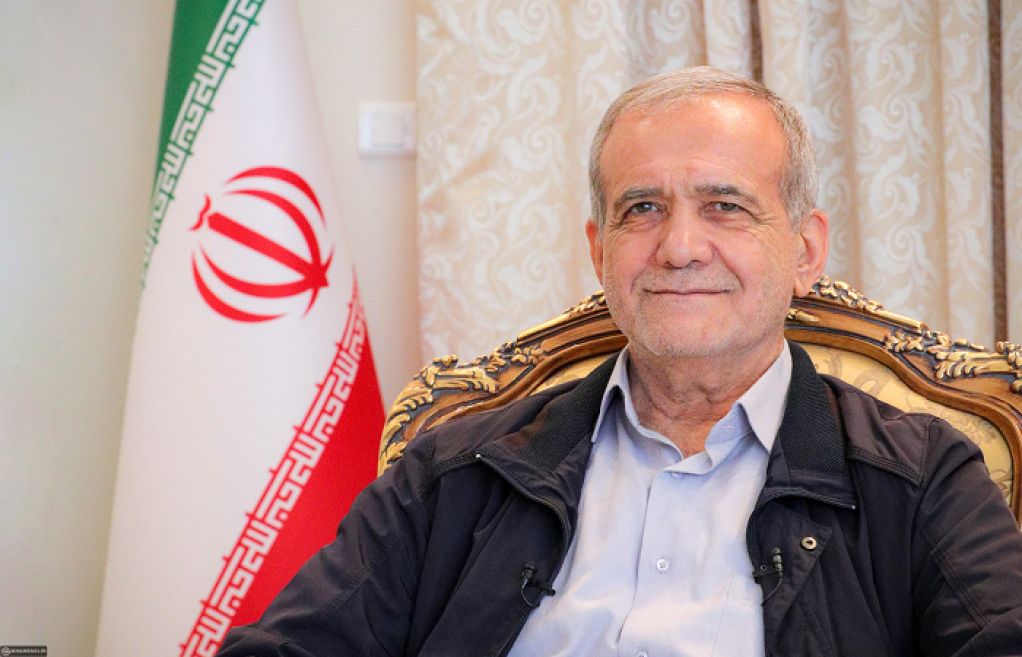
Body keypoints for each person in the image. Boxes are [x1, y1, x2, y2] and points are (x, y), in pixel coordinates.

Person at [217, 67, 1022, 657]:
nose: (679, 247)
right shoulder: (457, 471)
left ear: (805, 250)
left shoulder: (920, 477)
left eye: (725, 206)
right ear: (600, 252)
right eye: (643, 209)